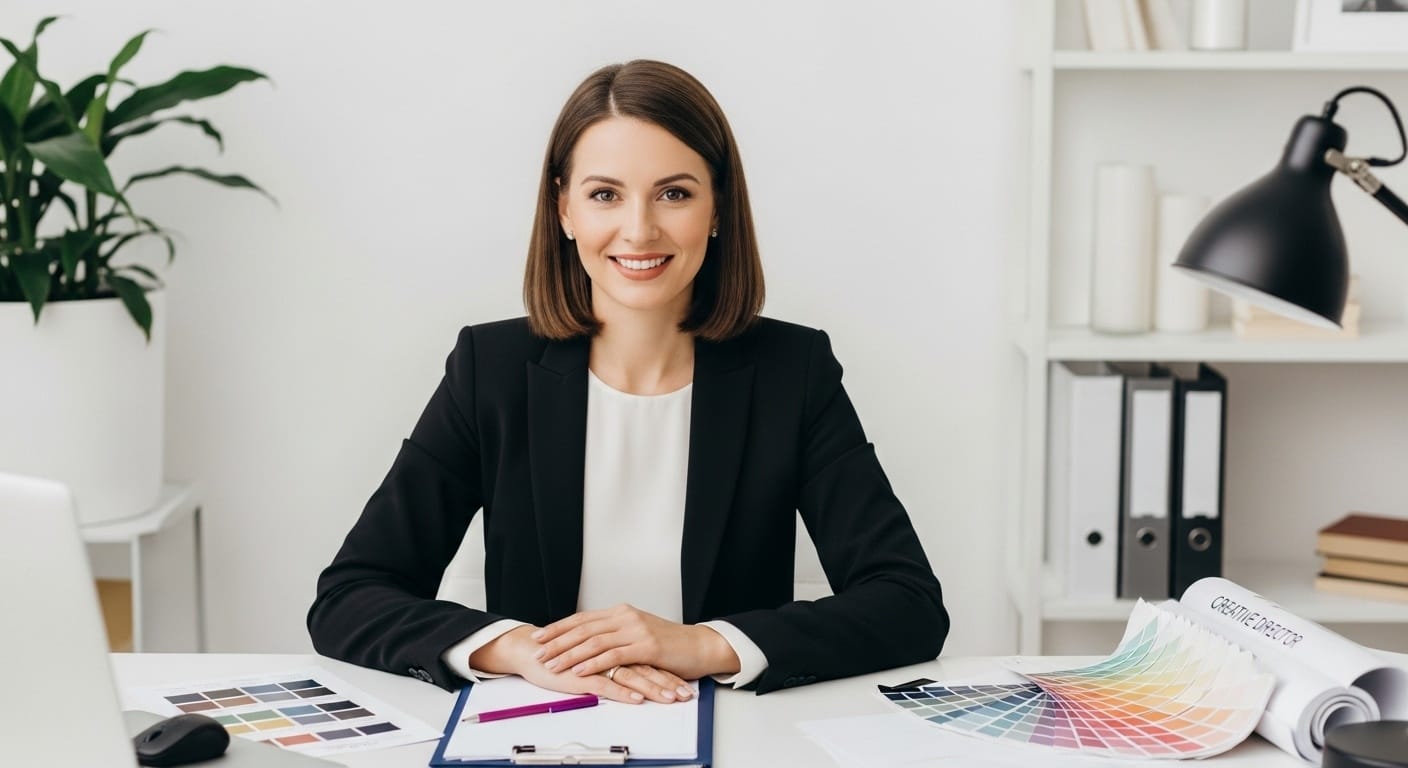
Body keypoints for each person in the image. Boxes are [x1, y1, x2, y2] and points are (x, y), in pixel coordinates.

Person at [307, 60, 948, 704]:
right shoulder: (491, 368)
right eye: (604, 194)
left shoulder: (793, 370)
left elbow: (907, 602)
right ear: (563, 209)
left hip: (732, 732)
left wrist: (704, 644)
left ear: (718, 206)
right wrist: (520, 649)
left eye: (674, 193)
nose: (639, 230)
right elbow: (350, 596)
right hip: (542, 724)